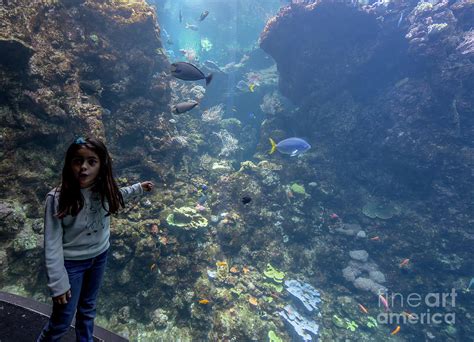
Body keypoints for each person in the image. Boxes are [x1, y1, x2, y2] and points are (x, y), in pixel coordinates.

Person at [37, 137, 154, 341]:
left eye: (92, 162)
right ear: (69, 163)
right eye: (77, 161)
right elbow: (52, 244)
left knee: (88, 310)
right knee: (62, 321)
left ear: (102, 166)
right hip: (71, 265)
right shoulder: (56, 198)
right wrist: (58, 282)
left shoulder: (104, 190)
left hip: (99, 256)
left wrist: (138, 188)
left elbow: (119, 194)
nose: (84, 167)